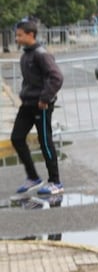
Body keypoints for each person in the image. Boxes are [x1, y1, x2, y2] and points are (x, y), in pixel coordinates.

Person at [10, 20, 64, 197]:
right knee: (17, 138)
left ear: (30, 35)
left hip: (41, 105)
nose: (17, 38)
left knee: (45, 142)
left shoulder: (41, 54)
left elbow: (56, 77)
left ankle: (55, 181)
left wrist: (45, 98)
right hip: (27, 104)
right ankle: (33, 176)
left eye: (20, 35)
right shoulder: (26, 55)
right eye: (16, 35)